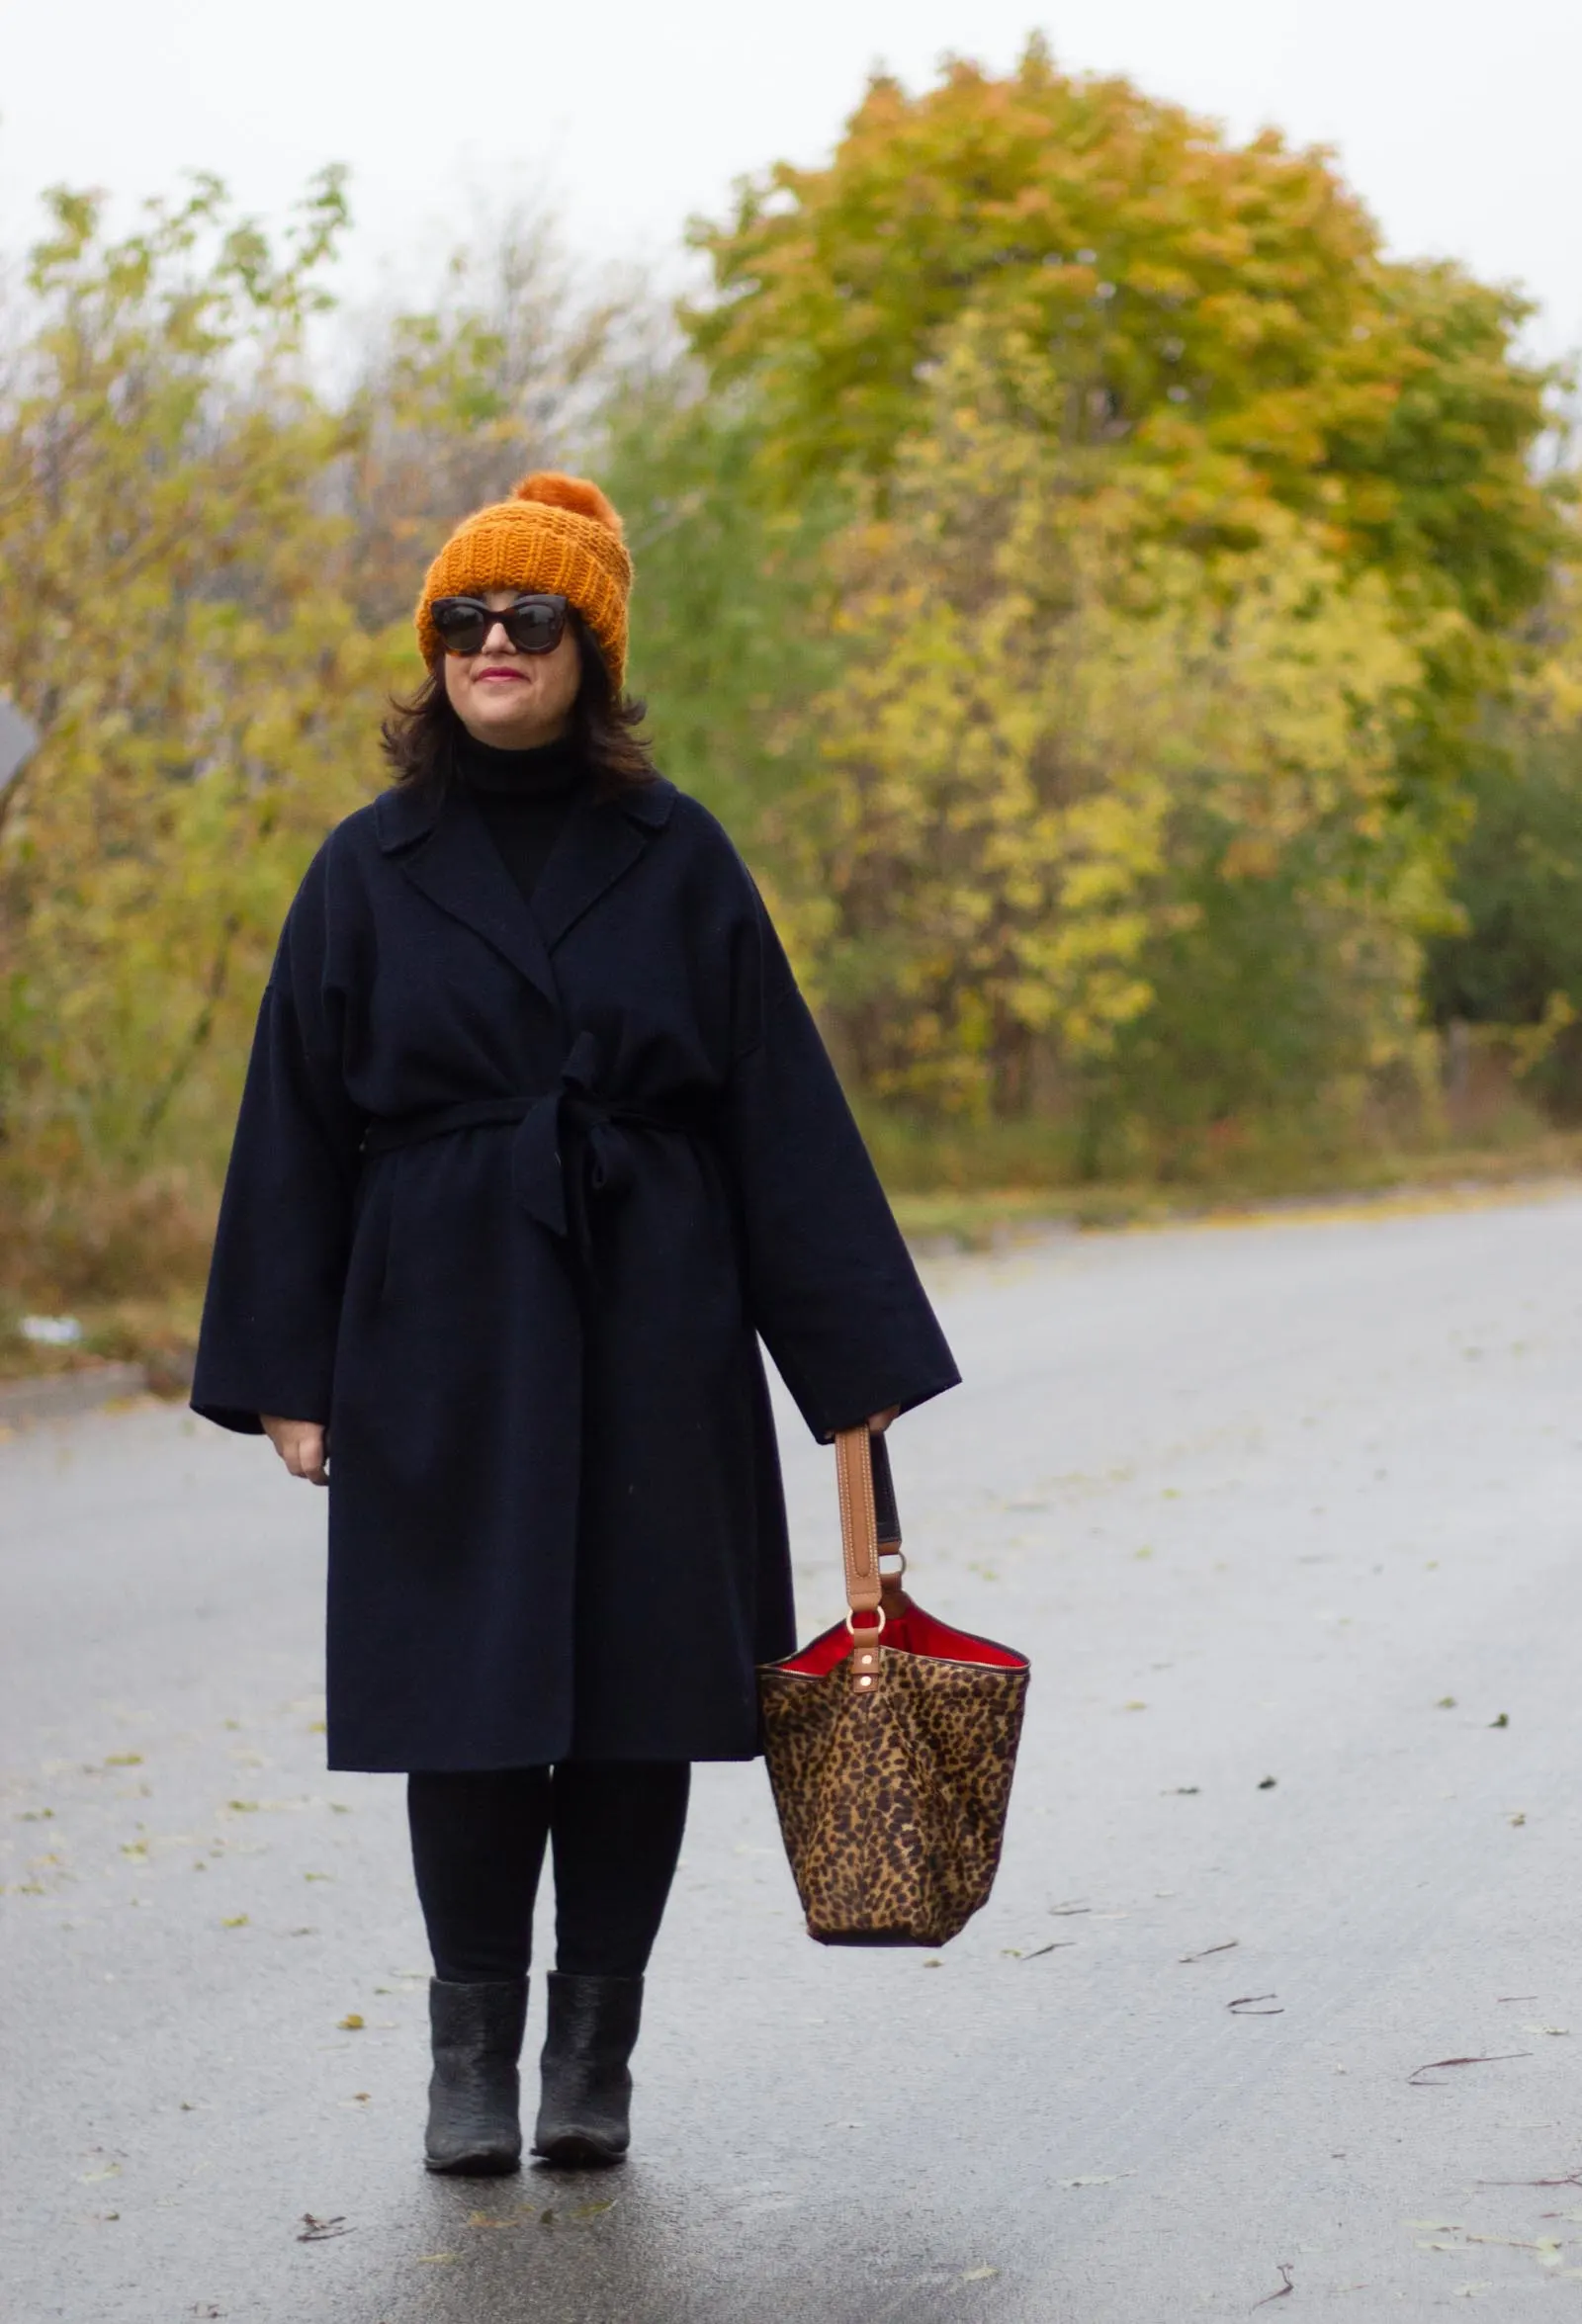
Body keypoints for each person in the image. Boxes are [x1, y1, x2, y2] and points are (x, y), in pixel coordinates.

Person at [191, 471, 959, 2175]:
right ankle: (469, 2056)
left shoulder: (679, 856)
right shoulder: (365, 867)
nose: (491, 646)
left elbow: (778, 1115)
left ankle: (589, 2057)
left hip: (653, 1320)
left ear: (588, 650)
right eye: (461, 621)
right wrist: (286, 1373)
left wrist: (852, 1379)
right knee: (461, 1699)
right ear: (433, 653)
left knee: (635, 1700)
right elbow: (295, 1124)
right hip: (436, 1327)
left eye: (527, 620)